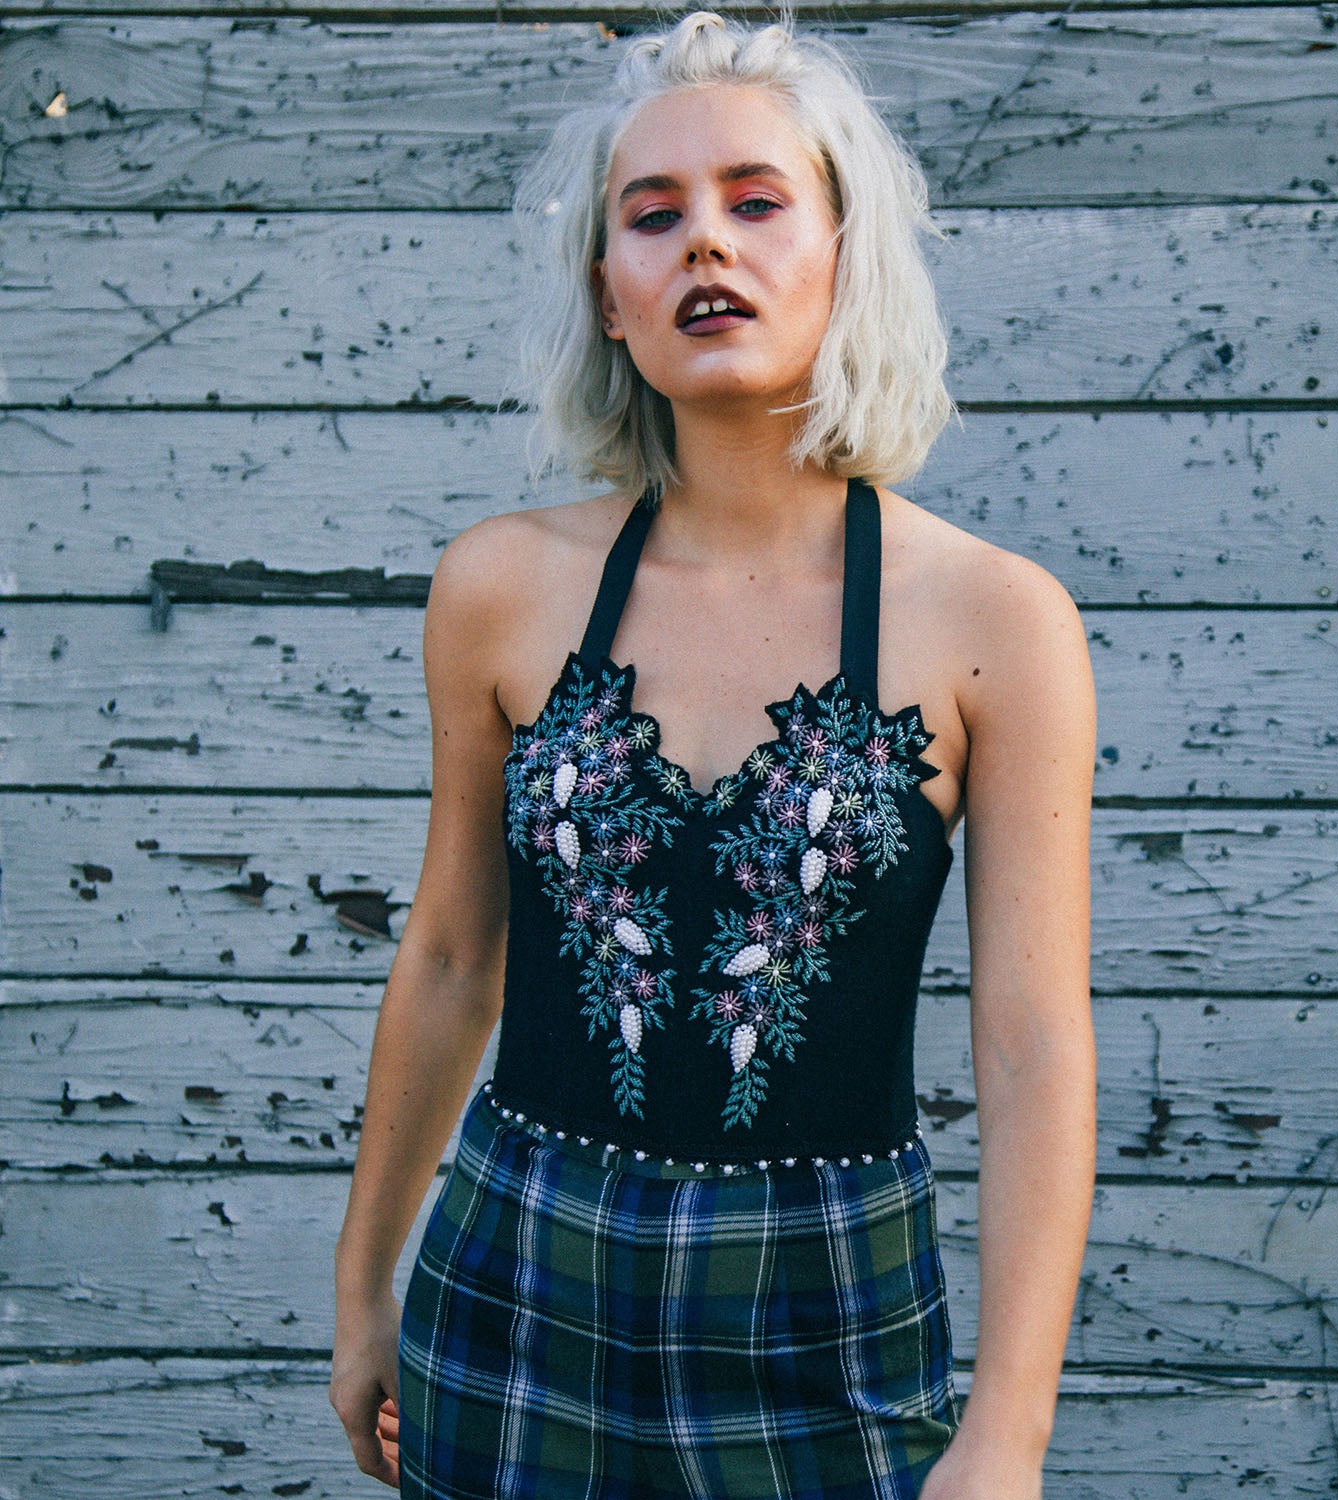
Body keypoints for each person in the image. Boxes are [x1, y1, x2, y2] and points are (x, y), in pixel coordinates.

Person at [329, 10, 1096, 1499]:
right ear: (610, 297)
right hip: (513, 1278)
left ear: (845, 255)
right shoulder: (500, 587)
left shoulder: (996, 620)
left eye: (756, 202)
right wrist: (363, 1293)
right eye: (653, 214)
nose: (704, 247)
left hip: (828, 1306)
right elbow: (445, 962)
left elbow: (1032, 1044)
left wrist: (1009, 1430)